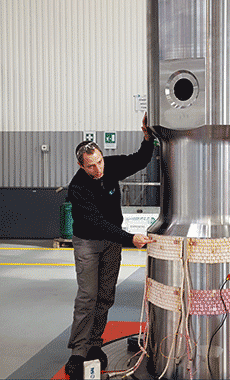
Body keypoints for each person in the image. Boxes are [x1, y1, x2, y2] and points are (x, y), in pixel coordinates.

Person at [64, 114, 154, 380]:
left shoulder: (110, 167)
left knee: (105, 295)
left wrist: (147, 138)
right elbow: (98, 224)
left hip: (112, 242)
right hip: (89, 243)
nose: (98, 169)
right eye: (91, 166)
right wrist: (130, 238)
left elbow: (140, 159)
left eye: (100, 161)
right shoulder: (78, 188)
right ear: (81, 165)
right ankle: (77, 353)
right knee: (87, 297)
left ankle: (94, 344)